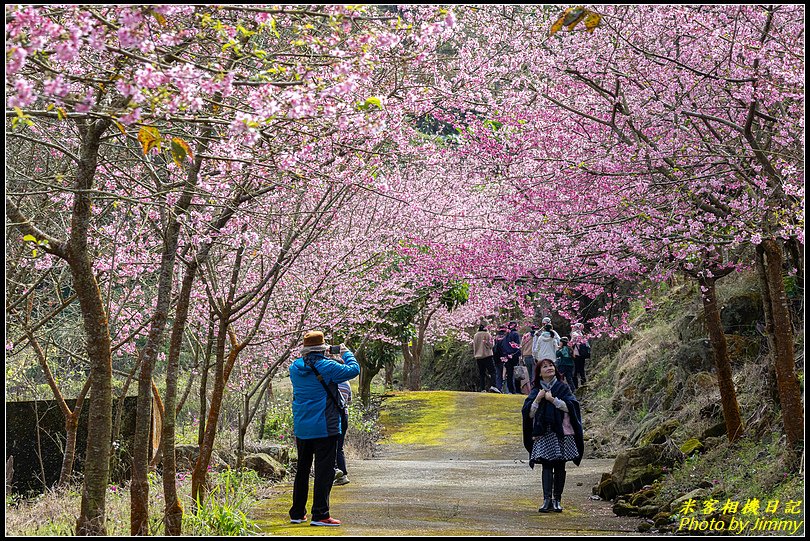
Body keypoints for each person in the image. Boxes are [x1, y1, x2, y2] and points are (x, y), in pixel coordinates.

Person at [289, 331, 360, 527]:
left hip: (302, 427)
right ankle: (320, 514)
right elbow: (354, 370)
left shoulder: (294, 367)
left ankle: (297, 513)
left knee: (302, 469)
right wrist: (345, 352)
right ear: (322, 349)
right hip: (325, 427)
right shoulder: (327, 366)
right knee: (324, 470)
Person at [521, 358, 584, 514]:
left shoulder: (563, 388)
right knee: (547, 464)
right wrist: (538, 399)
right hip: (544, 433)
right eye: (545, 366)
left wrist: (552, 400)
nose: (549, 368)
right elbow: (529, 413)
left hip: (561, 432)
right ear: (539, 373)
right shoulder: (536, 391)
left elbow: (571, 407)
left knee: (560, 464)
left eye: (551, 365)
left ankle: (557, 500)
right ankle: (546, 500)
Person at [333, 380, 352, 486]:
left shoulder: (331, 380)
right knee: (339, 447)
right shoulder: (346, 382)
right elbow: (349, 400)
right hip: (344, 414)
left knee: (331, 446)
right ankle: (343, 474)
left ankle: (335, 471)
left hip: (332, 415)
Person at [472, 324, 495, 392]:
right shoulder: (487, 334)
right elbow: (491, 345)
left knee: (482, 373)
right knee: (492, 371)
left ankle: (482, 388)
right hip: (487, 355)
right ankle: (493, 386)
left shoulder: (476, 335)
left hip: (478, 356)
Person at [503, 322, 522, 394]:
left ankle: (510, 390)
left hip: (507, 356)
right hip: (514, 355)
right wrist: (519, 353)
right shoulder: (516, 334)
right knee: (517, 373)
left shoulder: (507, 336)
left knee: (509, 373)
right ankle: (517, 390)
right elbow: (517, 346)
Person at [571, 323, 590, 388]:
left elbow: (571, 343)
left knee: (575, 370)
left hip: (576, 354)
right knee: (582, 369)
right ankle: (583, 382)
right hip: (582, 354)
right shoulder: (582, 334)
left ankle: (575, 386)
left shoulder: (574, 334)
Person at [491, 325, 508, 393]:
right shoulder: (506, 338)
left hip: (496, 358)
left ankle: (498, 388)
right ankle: (506, 389)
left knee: (498, 374)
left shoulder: (496, 338)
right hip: (505, 358)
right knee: (507, 375)